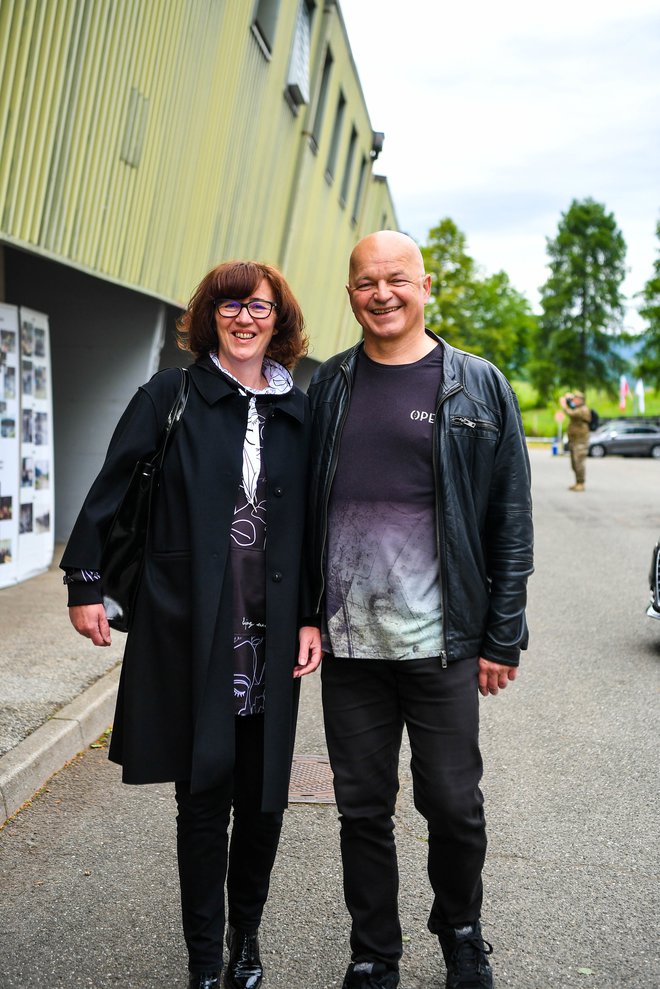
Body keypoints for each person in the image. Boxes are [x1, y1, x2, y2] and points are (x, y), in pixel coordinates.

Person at [61, 260, 322, 989]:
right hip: (192, 631)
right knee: (203, 795)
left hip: (270, 639)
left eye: (259, 306)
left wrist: (310, 615)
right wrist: (85, 582)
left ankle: (247, 938)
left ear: (279, 319)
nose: (244, 317)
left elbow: (311, 526)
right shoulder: (169, 394)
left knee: (265, 800)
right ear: (210, 315)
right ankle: (205, 958)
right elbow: (111, 484)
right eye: (230, 305)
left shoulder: (297, 410)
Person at [300, 231, 534, 989]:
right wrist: (305, 612)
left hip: (443, 643)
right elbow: (301, 513)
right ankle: (374, 951)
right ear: (351, 294)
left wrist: (502, 636)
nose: (382, 294)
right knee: (361, 811)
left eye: (396, 278)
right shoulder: (328, 388)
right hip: (351, 646)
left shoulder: (478, 385)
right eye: (366, 282)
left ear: (425, 285)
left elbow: (509, 519)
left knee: (455, 805)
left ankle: (462, 929)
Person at [559, 390, 591, 491]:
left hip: (581, 441)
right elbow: (572, 407)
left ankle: (581, 483)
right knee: (574, 463)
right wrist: (568, 400)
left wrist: (564, 404)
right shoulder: (577, 407)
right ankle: (577, 482)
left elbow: (571, 413)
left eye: (575, 399)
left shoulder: (583, 409)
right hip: (574, 440)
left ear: (581, 400)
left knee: (579, 462)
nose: (574, 400)